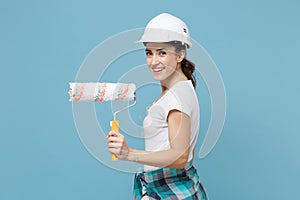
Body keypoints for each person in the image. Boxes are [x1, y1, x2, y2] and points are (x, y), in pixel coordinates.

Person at [106, 13, 208, 200]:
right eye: (149, 53)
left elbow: (180, 156)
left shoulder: (176, 97)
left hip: (171, 190)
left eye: (162, 52)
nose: (153, 62)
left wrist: (129, 154)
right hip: (168, 188)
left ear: (180, 55)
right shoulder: (180, 88)